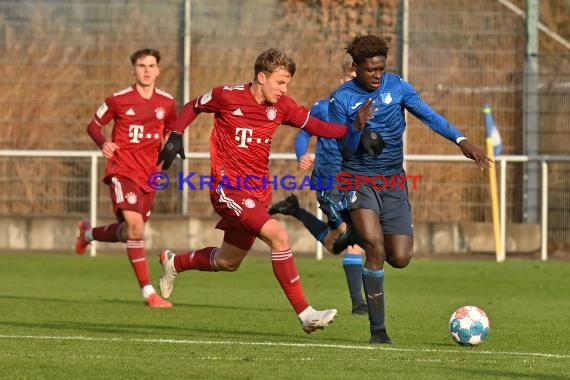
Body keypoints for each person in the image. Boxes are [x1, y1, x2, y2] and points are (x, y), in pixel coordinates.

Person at [155, 48, 374, 334]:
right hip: (228, 188)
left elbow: (320, 126)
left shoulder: (282, 107)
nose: (284, 90)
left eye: (287, 84)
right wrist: (177, 134)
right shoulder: (227, 96)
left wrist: (355, 129)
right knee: (279, 236)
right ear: (261, 76)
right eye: (280, 82)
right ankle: (306, 314)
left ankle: (174, 262)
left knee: (227, 261)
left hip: (258, 193)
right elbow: (194, 105)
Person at [329, 35, 493, 344]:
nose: (377, 75)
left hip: (393, 182)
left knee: (401, 258)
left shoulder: (398, 87)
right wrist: (357, 127)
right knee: (375, 248)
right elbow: (346, 151)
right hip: (357, 179)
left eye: (381, 68)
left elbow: (430, 117)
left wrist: (462, 141)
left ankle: (359, 233)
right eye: (370, 70)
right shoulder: (342, 99)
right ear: (356, 68)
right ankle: (378, 332)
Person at [74, 48, 177, 308]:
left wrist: (171, 144)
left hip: (150, 174)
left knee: (127, 232)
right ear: (133, 70)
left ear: (158, 70)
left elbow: (172, 130)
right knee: (136, 228)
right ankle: (148, 293)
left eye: (151, 65)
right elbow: (93, 126)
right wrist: (103, 143)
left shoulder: (166, 102)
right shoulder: (118, 100)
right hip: (122, 170)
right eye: (141, 65)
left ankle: (88, 234)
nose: (146, 70)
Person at [268, 55, 367, 315]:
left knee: (335, 245)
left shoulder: (367, 111)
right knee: (353, 239)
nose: (352, 86)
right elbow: (304, 134)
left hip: (355, 182)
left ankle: (295, 209)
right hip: (328, 181)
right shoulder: (325, 107)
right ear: (341, 80)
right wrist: (302, 155)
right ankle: (359, 305)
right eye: (349, 80)